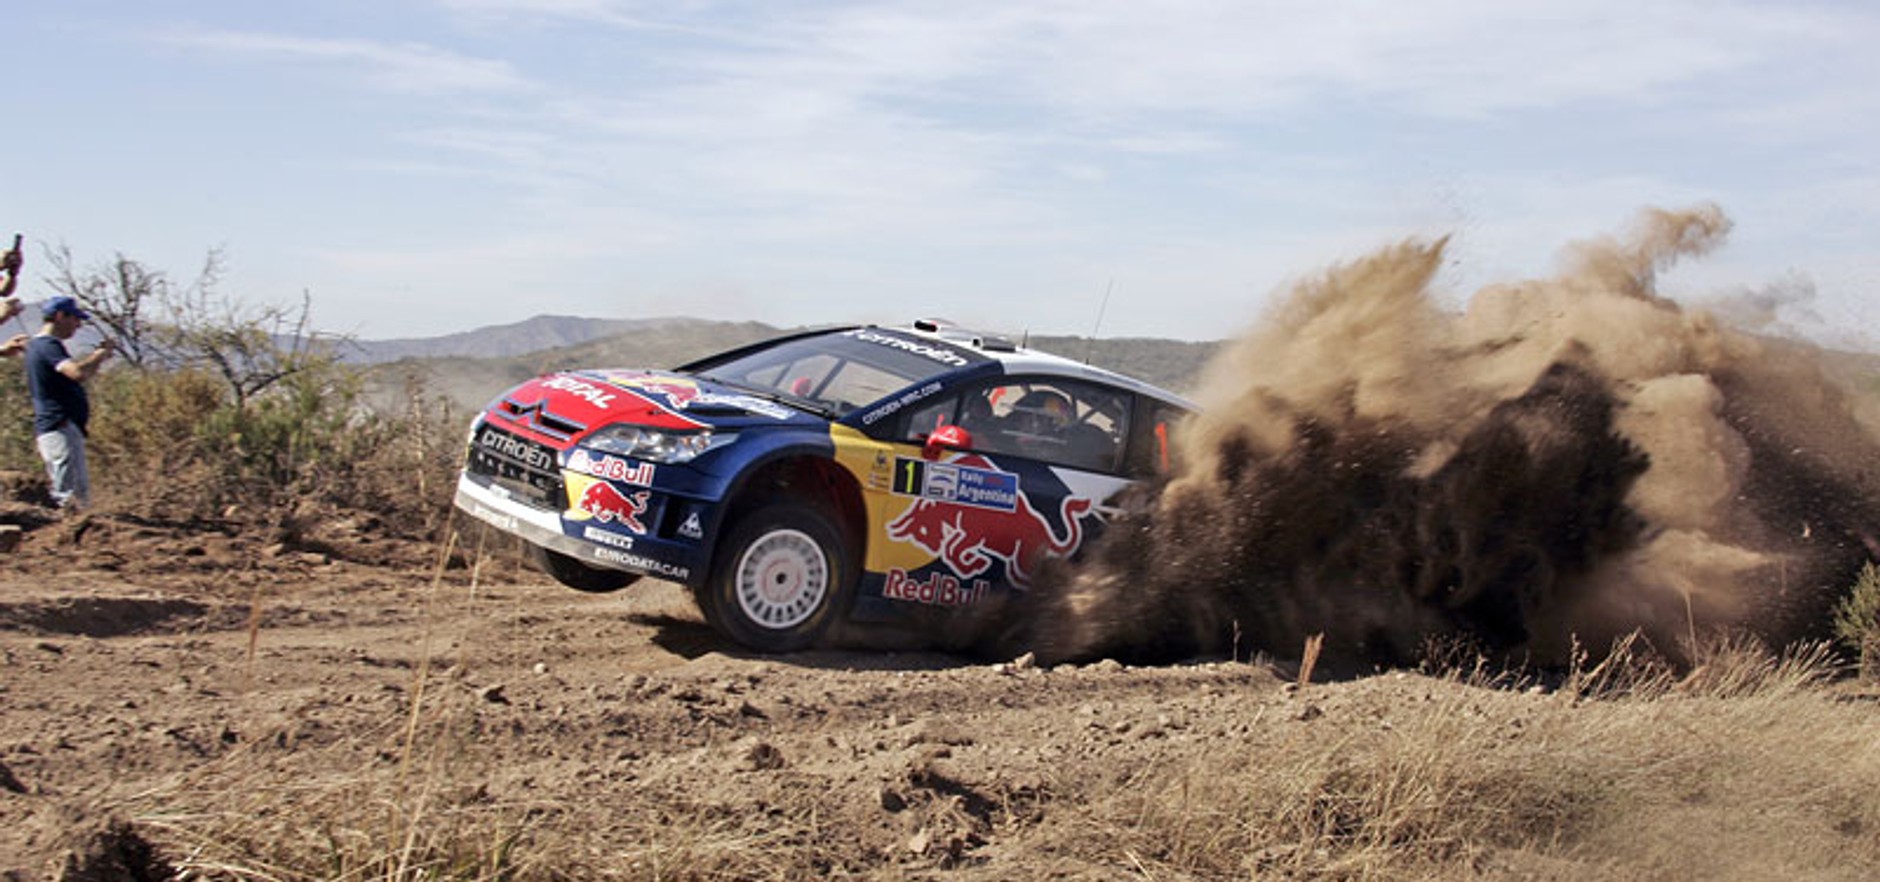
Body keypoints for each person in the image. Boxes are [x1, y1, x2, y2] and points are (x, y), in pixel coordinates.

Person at [25, 296, 114, 511]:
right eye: (75, 319)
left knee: (74, 490)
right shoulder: (47, 346)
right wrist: (100, 354)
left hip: (60, 425)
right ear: (59, 316)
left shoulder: (42, 346)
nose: (78, 325)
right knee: (69, 494)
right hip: (59, 424)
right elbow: (77, 372)